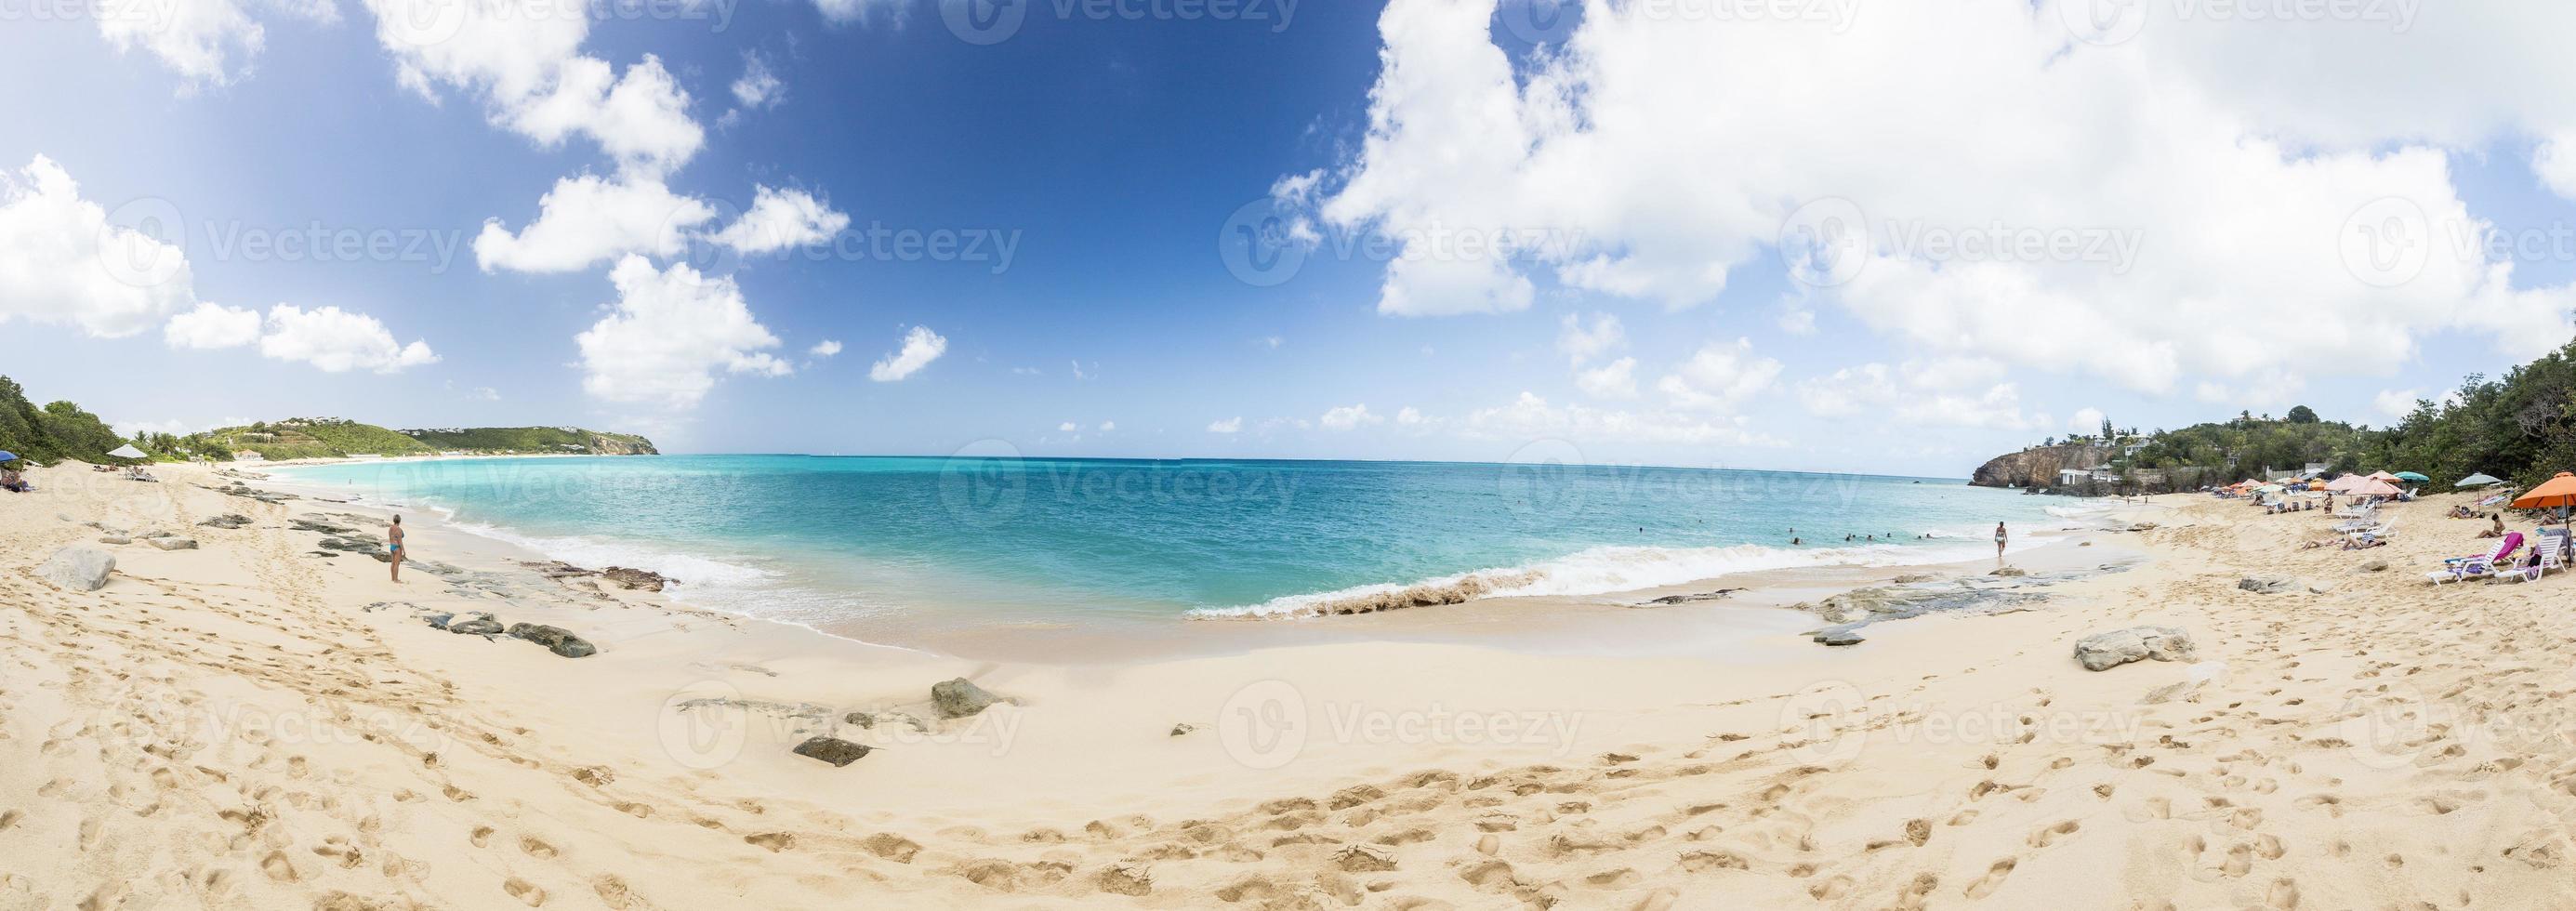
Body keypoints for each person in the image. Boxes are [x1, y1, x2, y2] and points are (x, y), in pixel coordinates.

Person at [388, 515, 407, 583]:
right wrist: (404, 551)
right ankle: (396, 580)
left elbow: (390, 537)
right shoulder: (399, 530)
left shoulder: (391, 528)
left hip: (392, 546)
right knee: (396, 564)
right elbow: (400, 541)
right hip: (397, 548)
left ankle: (393, 578)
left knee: (393, 563)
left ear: (394, 520)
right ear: (399, 521)